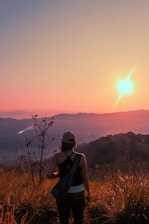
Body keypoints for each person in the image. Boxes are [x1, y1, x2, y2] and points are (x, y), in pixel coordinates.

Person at [46, 131, 90, 224]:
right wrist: (88, 192)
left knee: (63, 219)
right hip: (78, 193)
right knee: (79, 219)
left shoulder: (57, 156)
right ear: (74, 143)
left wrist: (58, 174)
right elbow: (85, 177)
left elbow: (48, 175)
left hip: (63, 193)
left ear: (63, 143)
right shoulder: (81, 157)